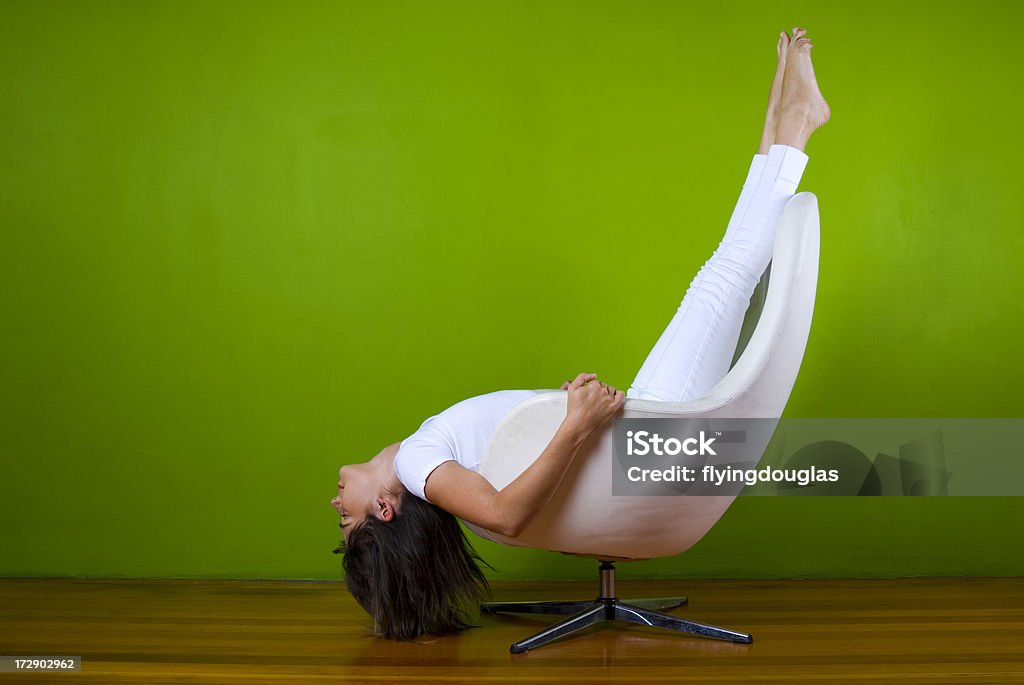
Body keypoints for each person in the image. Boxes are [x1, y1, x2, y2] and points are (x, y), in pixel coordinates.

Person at [330, 26, 830, 641]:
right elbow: (507, 516)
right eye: (347, 521)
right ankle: (795, 122)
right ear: (385, 509)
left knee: (723, 279)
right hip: (643, 437)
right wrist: (577, 421)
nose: (336, 504)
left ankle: (789, 119)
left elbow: (500, 500)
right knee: (723, 280)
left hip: (633, 443)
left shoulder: (424, 460)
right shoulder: (413, 464)